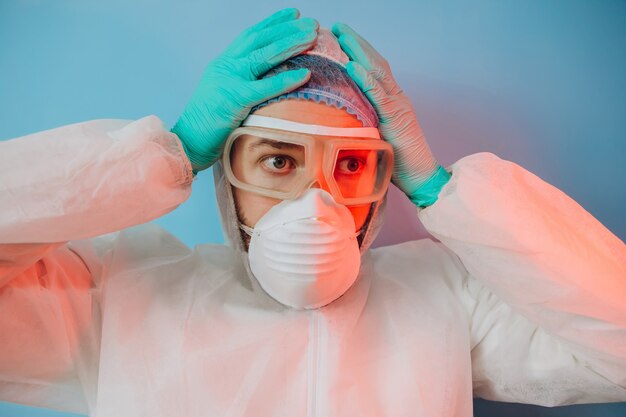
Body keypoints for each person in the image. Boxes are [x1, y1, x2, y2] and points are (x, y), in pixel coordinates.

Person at [0, 7, 624, 417]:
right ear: (227, 172)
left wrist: (446, 192)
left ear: (384, 180)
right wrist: (168, 155)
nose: (314, 200)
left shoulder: (445, 301)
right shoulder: (121, 295)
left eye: (351, 165)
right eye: (277, 161)